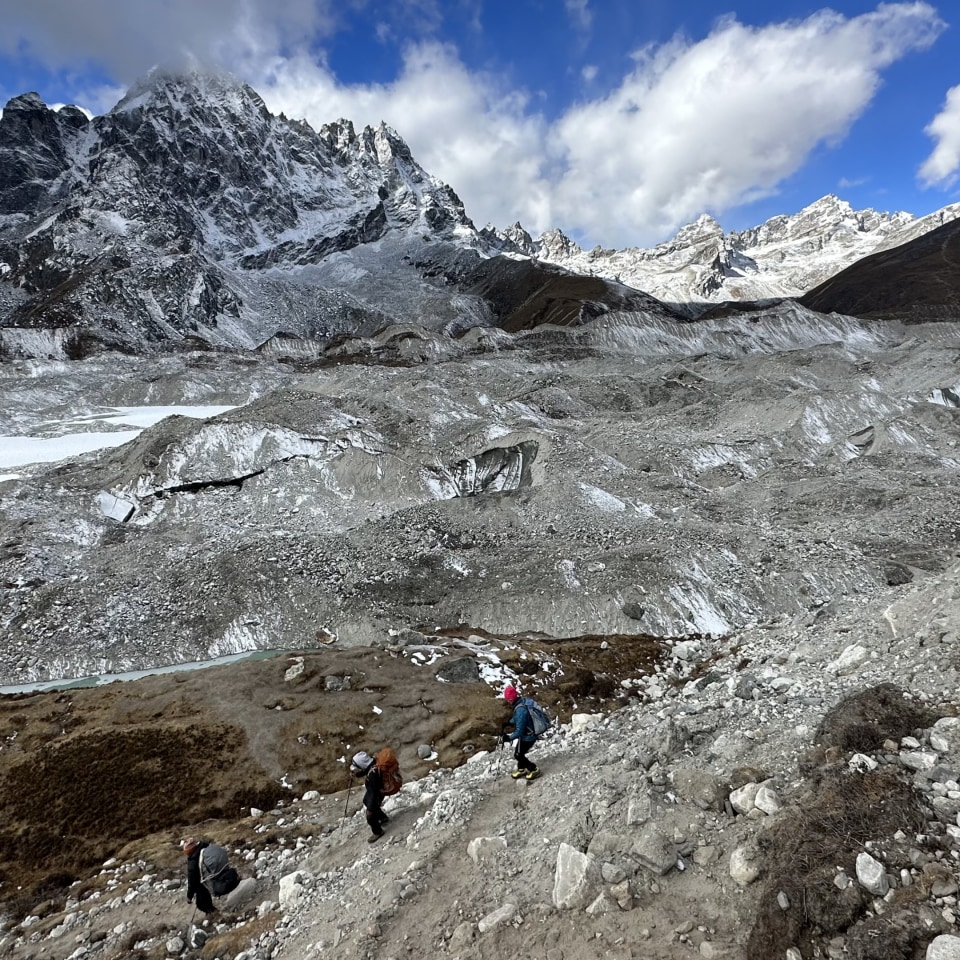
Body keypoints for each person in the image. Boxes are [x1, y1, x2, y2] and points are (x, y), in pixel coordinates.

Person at [501, 684, 541, 781]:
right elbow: (518, 719)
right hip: (529, 733)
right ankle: (521, 769)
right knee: (519, 752)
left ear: (510, 699)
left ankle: (533, 769)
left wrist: (509, 738)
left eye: (507, 699)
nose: (507, 701)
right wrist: (509, 722)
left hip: (528, 736)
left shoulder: (520, 710)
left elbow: (519, 731)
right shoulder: (521, 703)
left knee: (518, 754)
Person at [351, 751, 390, 843]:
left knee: (370, 815)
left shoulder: (372, 775)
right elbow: (365, 770)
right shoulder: (373, 764)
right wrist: (357, 775)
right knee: (366, 800)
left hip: (376, 793)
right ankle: (382, 818)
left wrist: (370, 809)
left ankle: (377, 832)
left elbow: (373, 792)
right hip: (376, 791)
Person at [183, 837, 215, 915]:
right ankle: (211, 913)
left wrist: (189, 896)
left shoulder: (193, 862)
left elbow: (192, 881)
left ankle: (213, 913)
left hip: (201, 882)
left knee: (201, 904)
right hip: (209, 876)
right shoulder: (202, 847)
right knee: (207, 899)